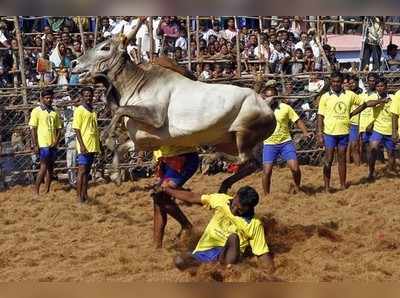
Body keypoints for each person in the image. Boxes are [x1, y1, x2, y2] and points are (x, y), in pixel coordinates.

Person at [158, 185, 274, 271]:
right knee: (179, 260)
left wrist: (271, 273)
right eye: (234, 205)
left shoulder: (254, 223)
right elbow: (192, 197)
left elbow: (262, 253)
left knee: (233, 237)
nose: (234, 211)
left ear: (249, 208)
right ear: (235, 196)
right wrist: (167, 190)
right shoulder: (221, 200)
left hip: (227, 256)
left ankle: (222, 269)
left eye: (240, 210)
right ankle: (210, 269)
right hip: (203, 253)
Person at [317, 72, 381, 192]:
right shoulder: (325, 97)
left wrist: (352, 113)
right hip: (329, 133)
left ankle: (342, 185)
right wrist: (319, 133)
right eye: (334, 81)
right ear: (331, 82)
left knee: (342, 159)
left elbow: (364, 104)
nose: (336, 83)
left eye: (338, 81)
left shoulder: (349, 95)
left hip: (343, 132)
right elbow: (320, 116)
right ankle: (326, 187)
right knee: (328, 160)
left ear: (342, 82)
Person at [261, 86, 311, 195]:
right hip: (269, 144)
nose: (270, 99)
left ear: (277, 96)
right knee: (267, 171)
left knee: (295, 168)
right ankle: (266, 195)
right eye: (268, 97)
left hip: (285, 142)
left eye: (273, 97)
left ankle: (297, 187)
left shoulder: (285, 108)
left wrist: (305, 132)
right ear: (264, 97)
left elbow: (297, 120)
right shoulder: (261, 110)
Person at [151, 145, 199, 248]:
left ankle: (186, 226)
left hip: (183, 157)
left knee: (161, 195)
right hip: (166, 158)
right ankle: (156, 246)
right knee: (157, 198)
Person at [29, 89, 62, 196]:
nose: (49, 100)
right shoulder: (36, 111)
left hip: (52, 144)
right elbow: (33, 129)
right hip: (43, 144)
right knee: (43, 167)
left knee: (50, 168)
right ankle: (36, 191)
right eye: (47, 98)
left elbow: (59, 128)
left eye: (50, 98)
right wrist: (35, 144)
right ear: (42, 99)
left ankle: (47, 190)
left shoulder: (54, 112)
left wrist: (56, 141)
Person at [363, 78, 396, 180]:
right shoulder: (374, 96)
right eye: (378, 86)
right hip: (378, 129)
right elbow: (367, 104)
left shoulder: (394, 98)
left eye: (381, 86)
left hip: (390, 129)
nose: (379, 88)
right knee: (372, 149)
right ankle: (371, 172)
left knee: (391, 154)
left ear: (386, 87)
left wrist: (396, 130)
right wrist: (381, 101)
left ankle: (390, 172)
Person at [72, 87, 100, 203]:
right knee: (82, 171)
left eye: (90, 95)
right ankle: (79, 197)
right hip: (84, 145)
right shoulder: (79, 110)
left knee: (87, 172)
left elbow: (95, 128)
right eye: (86, 95)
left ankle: (85, 195)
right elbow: (77, 129)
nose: (88, 98)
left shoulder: (93, 111)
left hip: (92, 144)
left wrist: (98, 144)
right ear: (82, 97)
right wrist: (82, 145)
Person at [359, 73, 379, 163]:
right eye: (370, 80)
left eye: (373, 81)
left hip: (375, 126)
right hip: (363, 126)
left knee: (376, 148)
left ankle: (377, 166)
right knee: (366, 147)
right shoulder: (362, 95)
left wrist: (373, 124)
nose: (372, 83)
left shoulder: (378, 96)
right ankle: (368, 166)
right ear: (367, 81)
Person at [346, 74, 363, 166]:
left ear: (357, 83)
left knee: (356, 145)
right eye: (350, 83)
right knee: (348, 145)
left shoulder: (361, 93)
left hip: (358, 122)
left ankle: (358, 165)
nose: (351, 84)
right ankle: (348, 164)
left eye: (353, 82)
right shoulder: (346, 94)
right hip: (348, 122)